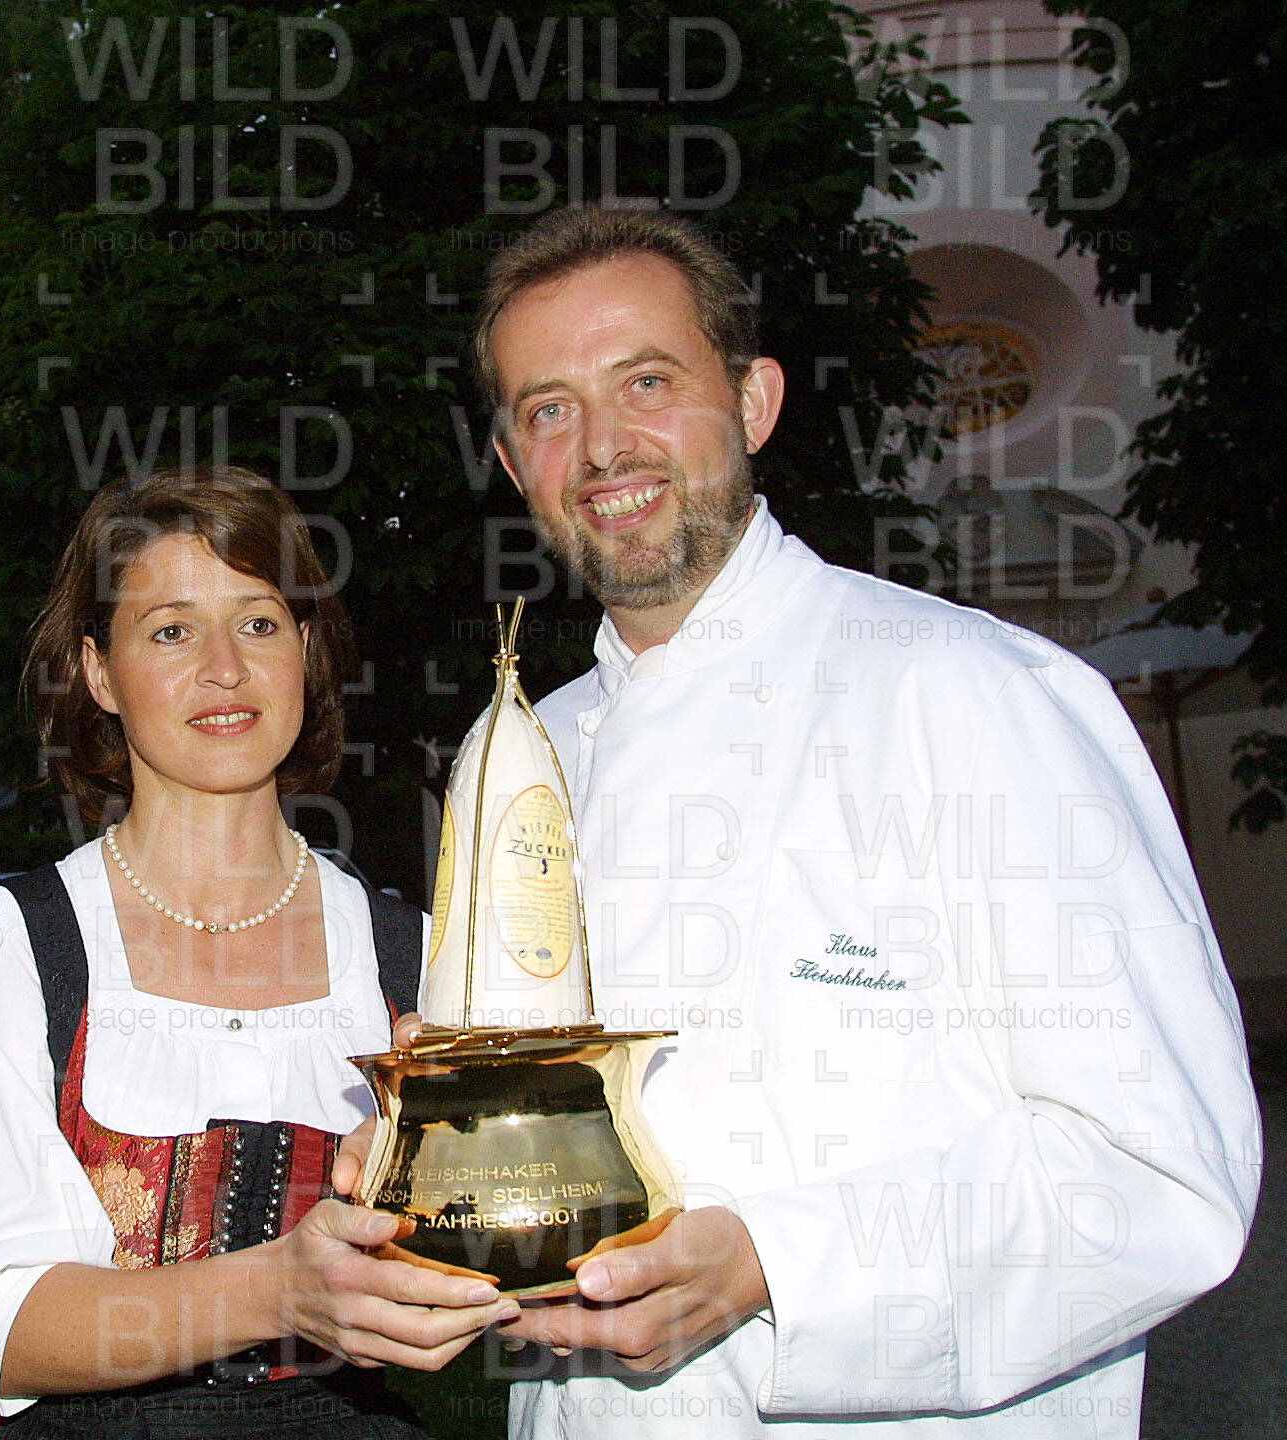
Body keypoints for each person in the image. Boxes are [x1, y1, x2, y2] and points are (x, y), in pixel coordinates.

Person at [360, 205, 1260, 1438]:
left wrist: (774, 1268)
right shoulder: (520, 757)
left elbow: (1157, 1175)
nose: (605, 447)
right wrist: (428, 1148)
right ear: (516, 466)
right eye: (550, 409)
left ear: (754, 402)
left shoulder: (974, 695)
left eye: (648, 382)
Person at [0, 467, 518, 1438]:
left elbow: (514, 1260)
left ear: (305, 651)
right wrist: (272, 1293)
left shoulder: (416, 959)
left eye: (259, 622)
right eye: (171, 630)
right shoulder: (2, 956)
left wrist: (452, 1192)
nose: (225, 668)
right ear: (97, 671)